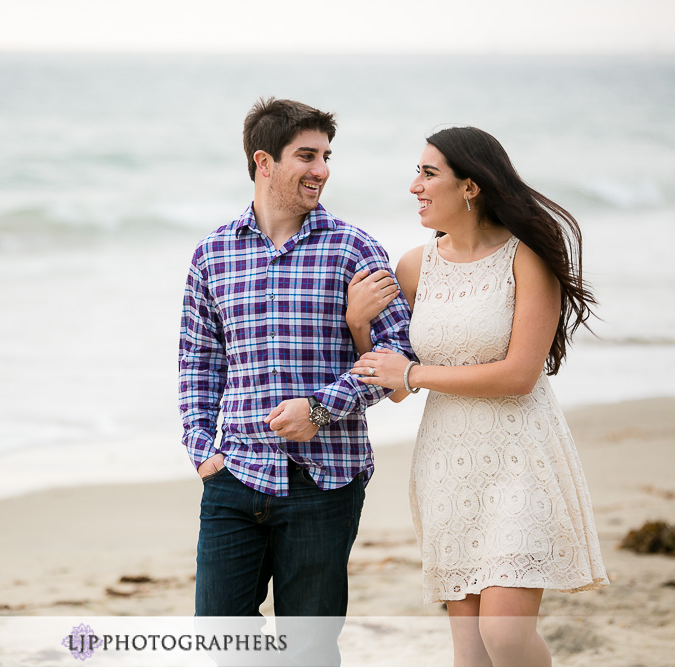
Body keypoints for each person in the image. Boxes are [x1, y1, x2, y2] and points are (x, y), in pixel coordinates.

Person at [348, 126, 609, 667]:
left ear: (470, 186)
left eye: (428, 173)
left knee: (505, 637)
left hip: (520, 458)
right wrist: (359, 325)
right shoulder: (414, 267)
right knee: (470, 653)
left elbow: (519, 375)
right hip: (448, 464)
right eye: (416, 172)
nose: (414, 185)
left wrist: (414, 374)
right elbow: (392, 387)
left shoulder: (527, 258)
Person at [177, 97, 413, 663]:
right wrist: (202, 448)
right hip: (234, 475)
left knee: (308, 648)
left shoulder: (355, 249)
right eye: (306, 155)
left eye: (327, 156)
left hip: (324, 483)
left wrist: (322, 408)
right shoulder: (212, 254)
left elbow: (398, 356)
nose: (322, 169)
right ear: (264, 161)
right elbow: (198, 362)